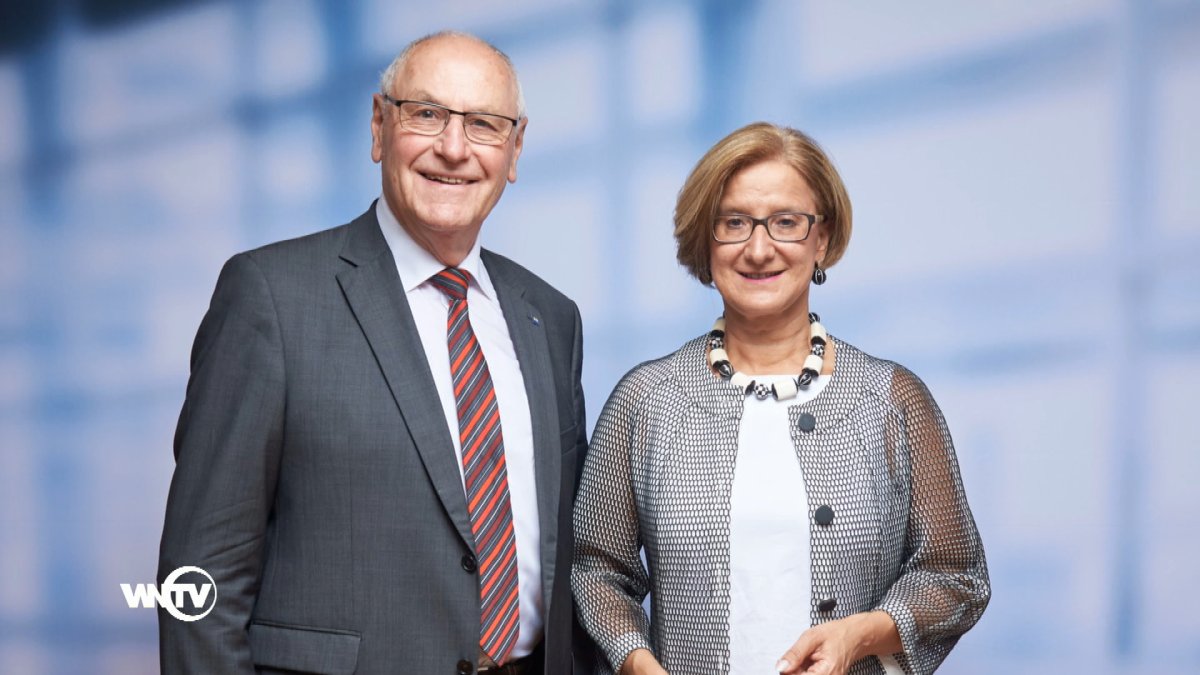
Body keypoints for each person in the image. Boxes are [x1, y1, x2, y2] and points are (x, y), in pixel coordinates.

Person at [159, 31, 588, 675]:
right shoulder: (271, 297)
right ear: (379, 127)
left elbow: (570, 554)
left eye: (483, 124)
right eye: (427, 114)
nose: (454, 148)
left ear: (515, 148)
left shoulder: (550, 318)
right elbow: (199, 576)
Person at [572, 122, 989, 675]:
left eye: (786, 223)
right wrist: (638, 664)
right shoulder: (646, 401)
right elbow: (596, 571)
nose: (758, 249)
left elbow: (957, 576)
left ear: (822, 240)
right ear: (706, 240)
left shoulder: (891, 400)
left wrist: (863, 633)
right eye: (734, 223)